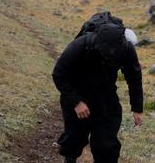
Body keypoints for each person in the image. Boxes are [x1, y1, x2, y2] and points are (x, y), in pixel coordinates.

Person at [52, 22, 143, 163]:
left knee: (107, 144)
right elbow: (59, 74)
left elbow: (134, 78)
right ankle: (69, 159)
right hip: (77, 92)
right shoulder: (81, 45)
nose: (109, 58)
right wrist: (76, 102)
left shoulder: (126, 48)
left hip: (106, 96)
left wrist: (137, 108)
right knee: (74, 137)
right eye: (106, 54)